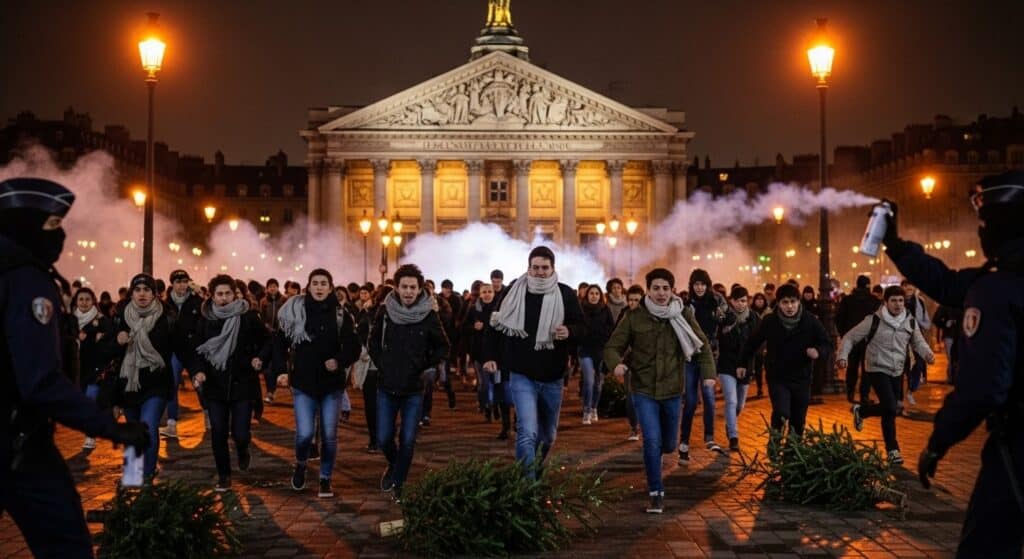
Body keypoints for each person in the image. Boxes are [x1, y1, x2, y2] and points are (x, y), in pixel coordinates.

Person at [0, 177, 149, 557]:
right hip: (17, 445)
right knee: (67, 545)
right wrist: (109, 426)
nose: (60, 235)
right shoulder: (23, 279)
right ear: (23, 225)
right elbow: (40, 381)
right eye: (51, 225)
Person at [882, 171, 1024, 557]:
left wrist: (938, 440)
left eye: (984, 223)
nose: (979, 231)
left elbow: (983, 388)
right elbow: (947, 283)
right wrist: (896, 246)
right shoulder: (1000, 277)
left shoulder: (998, 288)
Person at [605, 268, 715, 514]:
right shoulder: (635, 317)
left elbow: (703, 345)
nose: (661, 293)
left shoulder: (683, 314)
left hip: (673, 390)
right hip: (643, 389)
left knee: (669, 445)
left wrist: (708, 375)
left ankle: (664, 453)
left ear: (673, 290)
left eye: (666, 288)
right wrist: (617, 364)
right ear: (648, 290)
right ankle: (656, 492)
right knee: (652, 440)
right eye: (656, 288)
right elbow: (612, 346)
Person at [483, 246, 584, 478]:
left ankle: (534, 466)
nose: (539, 272)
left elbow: (583, 327)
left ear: (553, 269)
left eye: (544, 268)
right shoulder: (513, 292)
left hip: (552, 374)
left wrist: (569, 331)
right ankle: (527, 487)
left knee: (548, 435)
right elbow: (495, 325)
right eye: (535, 267)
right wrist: (490, 356)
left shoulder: (565, 294)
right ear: (528, 268)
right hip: (521, 373)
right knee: (527, 431)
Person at [369, 264, 449, 503]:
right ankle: (394, 465)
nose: (408, 291)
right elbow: (372, 342)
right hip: (387, 384)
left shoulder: (429, 314)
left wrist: (429, 367)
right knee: (383, 438)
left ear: (419, 289)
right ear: (396, 287)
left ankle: (399, 483)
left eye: (412, 287)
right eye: (404, 286)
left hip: (414, 387)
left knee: (407, 439)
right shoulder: (384, 312)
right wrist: (383, 364)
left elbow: (444, 346)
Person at [277, 269, 360, 498]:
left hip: (331, 385)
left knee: (329, 434)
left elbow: (353, 347)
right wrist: (280, 371)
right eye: (315, 283)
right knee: (304, 434)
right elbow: (280, 341)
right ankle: (301, 463)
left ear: (331, 287)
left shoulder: (342, 315)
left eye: (324, 283)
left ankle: (325, 477)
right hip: (303, 383)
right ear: (309, 286)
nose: (319, 287)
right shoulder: (296, 312)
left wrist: (339, 360)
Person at [838, 285, 934, 465]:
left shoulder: (909, 321)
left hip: (897, 370)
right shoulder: (873, 320)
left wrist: (928, 354)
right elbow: (850, 337)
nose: (898, 304)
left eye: (900, 300)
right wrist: (843, 356)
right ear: (885, 302)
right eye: (893, 301)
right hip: (876, 368)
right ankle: (893, 449)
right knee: (890, 406)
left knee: (890, 409)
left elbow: (918, 342)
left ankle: (863, 412)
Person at [191, 274, 268, 491]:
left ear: (235, 294)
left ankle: (243, 449)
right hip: (215, 384)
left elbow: (267, 340)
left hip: (243, 382)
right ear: (212, 296)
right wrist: (198, 371)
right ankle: (224, 475)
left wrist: (259, 357)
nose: (224, 298)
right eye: (219, 294)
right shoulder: (206, 319)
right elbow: (197, 348)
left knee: (240, 432)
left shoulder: (248, 317)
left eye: (228, 293)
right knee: (218, 431)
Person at [737, 283, 830, 442]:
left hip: (802, 378)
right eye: (785, 302)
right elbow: (752, 343)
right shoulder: (770, 321)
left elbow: (827, 344)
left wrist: (818, 351)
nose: (790, 306)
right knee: (781, 412)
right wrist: (742, 363)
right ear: (778, 303)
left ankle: (792, 456)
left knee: (798, 421)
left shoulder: (810, 321)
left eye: (793, 302)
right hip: (778, 377)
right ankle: (774, 442)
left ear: (798, 302)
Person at [111, 273, 177, 480]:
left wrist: (198, 370)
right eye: (137, 290)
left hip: (156, 382)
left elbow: (184, 347)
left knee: (147, 426)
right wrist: (116, 340)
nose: (142, 294)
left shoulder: (166, 317)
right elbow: (107, 353)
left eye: (147, 289)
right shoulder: (120, 316)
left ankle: (146, 476)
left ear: (155, 294)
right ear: (131, 293)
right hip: (129, 384)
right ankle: (132, 476)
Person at [680, 268, 726, 460]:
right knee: (690, 401)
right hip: (691, 355)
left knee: (709, 397)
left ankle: (709, 437)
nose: (699, 288)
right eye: (696, 284)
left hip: (709, 354)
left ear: (707, 285)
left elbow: (728, 319)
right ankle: (684, 442)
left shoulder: (715, 302)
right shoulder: (686, 304)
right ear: (692, 285)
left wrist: (721, 312)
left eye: (703, 284)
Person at [717, 286, 760, 451]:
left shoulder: (754, 318)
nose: (741, 304)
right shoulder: (724, 317)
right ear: (731, 301)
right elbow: (717, 337)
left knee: (740, 405)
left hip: (746, 366)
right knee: (731, 400)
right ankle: (733, 436)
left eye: (744, 300)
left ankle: (730, 422)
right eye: (737, 301)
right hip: (727, 365)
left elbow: (759, 341)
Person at [72, 287, 115, 450]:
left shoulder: (101, 321)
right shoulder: (69, 320)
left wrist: (94, 337)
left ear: (93, 302)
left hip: (95, 368)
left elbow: (109, 341)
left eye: (87, 299)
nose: (84, 302)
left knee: (91, 398)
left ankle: (90, 436)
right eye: (81, 299)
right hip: (75, 369)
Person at [162, 269, 203, 439]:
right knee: (171, 383)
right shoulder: (164, 303)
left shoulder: (197, 301)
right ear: (172, 283)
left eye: (184, 281)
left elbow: (204, 323)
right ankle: (172, 423)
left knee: (200, 382)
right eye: (178, 282)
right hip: (173, 349)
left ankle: (208, 414)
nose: (182, 285)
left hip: (193, 349)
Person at [835, 275, 882, 404]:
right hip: (869, 340)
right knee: (867, 369)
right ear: (868, 286)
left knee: (852, 367)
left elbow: (839, 319)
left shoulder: (847, 300)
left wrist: (844, 334)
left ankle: (850, 392)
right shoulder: (874, 301)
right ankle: (864, 395)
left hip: (852, 338)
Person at [463, 282, 502, 428]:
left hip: (497, 353)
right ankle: (485, 406)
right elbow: (463, 328)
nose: (487, 294)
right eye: (484, 292)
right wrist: (473, 327)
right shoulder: (474, 309)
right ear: (480, 294)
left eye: (489, 291)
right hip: (479, 352)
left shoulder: (499, 310)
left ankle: (496, 406)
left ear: (493, 293)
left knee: (498, 383)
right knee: (484, 384)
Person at [579, 284, 614, 425]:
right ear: (587, 295)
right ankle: (586, 410)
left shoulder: (605, 310)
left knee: (598, 383)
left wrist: (604, 338)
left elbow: (611, 328)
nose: (594, 296)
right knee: (588, 380)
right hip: (585, 349)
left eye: (597, 293)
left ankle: (594, 408)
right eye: (591, 293)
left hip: (600, 350)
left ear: (601, 296)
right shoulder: (581, 310)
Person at [901, 280, 932, 407]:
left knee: (918, 364)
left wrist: (923, 325)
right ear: (903, 288)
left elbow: (925, 320)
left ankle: (911, 390)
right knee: (903, 366)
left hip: (916, 336)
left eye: (912, 290)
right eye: (908, 289)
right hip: (900, 336)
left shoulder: (920, 301)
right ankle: (899, 398)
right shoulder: (897, 301)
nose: (910, 292)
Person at [620, 284, 645, 441]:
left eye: (637, 300)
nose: (633, 303)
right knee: (630, 396)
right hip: (630, 361)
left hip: (648, 362)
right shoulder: (625, 315)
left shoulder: (651, 316)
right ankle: (634, 427)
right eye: (630, 300)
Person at [259, 278, 288, 404]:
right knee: (267, 367)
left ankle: (274, 390)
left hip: (281, 337)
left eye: (274, 286)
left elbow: (287, 316)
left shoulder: (284, 300)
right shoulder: (264, 301)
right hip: (267, 337)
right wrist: (266, 327)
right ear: (267, 288)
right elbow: (262, 317)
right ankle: (270, 392)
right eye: (270, 286)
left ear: (278, 287)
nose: (272, 288)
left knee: (278, 364)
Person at [932, 304, 961, 383]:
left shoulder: (965, 301)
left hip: (962, 335)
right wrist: (945, 323)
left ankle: (954, 378)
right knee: (951, 358)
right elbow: (935, 319)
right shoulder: (945, 305)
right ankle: (952, 379)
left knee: (959, 358)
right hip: (950, 335)